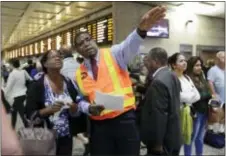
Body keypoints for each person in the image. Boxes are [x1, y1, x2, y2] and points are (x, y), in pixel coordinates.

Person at [73, 6, 166, 155]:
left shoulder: (113, 54)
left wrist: (140, 30)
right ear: (77, 50)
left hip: (124, 120)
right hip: (99, 125)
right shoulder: (79, 73)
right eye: (81, 43)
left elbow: (129, 45)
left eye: (88, 39)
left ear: (94, 40)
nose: (86, 44)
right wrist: (88, 108)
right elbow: (80, 99)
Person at [25, 50, 88, 156]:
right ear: (45, 63)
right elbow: (29, 114)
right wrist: (47, 110)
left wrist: (74, 108)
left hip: (66, 137)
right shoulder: (37, 86)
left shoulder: (69, 82)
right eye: (53, 57)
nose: (58, 58)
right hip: (45, 137)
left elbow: (78, 106)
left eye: (59, 56)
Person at [140, 48, 181, 156]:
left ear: (156, 62)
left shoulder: (158, 82)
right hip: (173, 134)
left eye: (148, 61)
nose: (146, 64)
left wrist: (157, 142)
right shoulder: (172, 75)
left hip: (162, 141)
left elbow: (159, 114)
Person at [168, 53, 201, 155]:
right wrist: (189, 96)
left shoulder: (187, 77)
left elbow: (197, 96)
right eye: (181, 61)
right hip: (176, 114)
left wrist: (187, 97)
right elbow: (178, 97)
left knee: (188, 138)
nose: (184, 63)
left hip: (189, 112)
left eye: (185, 60)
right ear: (174, 65)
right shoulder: (171, 77)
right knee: (175, 144)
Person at [184, 56, 212, 156]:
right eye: (197, 65)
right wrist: (206, 95)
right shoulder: (187, 79)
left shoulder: (201, 77)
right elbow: (195, 97)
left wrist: (207, 95)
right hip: (194, 114)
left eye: (200, 65)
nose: (199, 67)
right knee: (191, 138)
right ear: (191, 66)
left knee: (200, 138)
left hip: (204, 112)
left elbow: (207, 92)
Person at [4, 59, 32, 128]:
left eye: (10, 65)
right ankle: (13, 127)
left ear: (13, 65)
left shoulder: (12, 74)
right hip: (24, 94)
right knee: (15, 111)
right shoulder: (23, 71)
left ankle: (25, 125)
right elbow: (30, 79)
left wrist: (4, 94)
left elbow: (9, 86)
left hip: (17, 96)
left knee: (20, 112)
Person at [207, 51, 225, 133]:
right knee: (216, 116)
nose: (225, 59)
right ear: (217, 59)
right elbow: (210, 82)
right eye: (223, 57)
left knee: (223, 116)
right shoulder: (213, 70)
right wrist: (214, 95)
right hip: (217, 97)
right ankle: (213, 133)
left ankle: (221, 131)